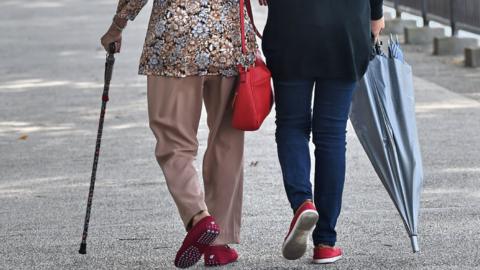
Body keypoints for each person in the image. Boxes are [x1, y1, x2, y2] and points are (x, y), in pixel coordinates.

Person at [100, 0, 257, 268]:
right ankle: (219, 245)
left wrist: (117, 26)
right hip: (229, 41)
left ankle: (199, 217)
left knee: (174, 141)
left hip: (175, 39)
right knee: (227, 140)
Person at [258, 0, 385, 264]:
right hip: (346, 29)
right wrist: (376, 15)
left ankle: (302, 202)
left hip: (290, 27)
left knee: (292, 125)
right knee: (332, 135)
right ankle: (326, 242)